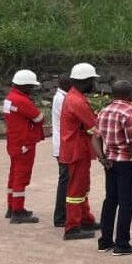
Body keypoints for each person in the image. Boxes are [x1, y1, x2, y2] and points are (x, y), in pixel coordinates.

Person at [93, 81, 132, 255]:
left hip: (110, 162)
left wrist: (102, 158)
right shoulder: (129, 113)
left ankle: (105, 241)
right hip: (127, 163)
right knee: (126, 204)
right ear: (130, 95)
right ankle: (122, 244)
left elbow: (95, 137)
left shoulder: (104, 111)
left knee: (110, 201)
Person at [59, 63, 103, 240]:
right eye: (92, 80)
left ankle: (85, 219)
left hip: (77, 149)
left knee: (82, 187)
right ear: (85, 81)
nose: (94, 84)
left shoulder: (74, 97)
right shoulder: (77, 101)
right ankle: (72, 227)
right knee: (76, 189)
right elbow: (93, 127)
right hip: (77, 150)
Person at [2, 69, 45, 224]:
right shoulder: (22, 100)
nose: (32, 89)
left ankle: (12, 207)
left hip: (14, 142)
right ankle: (18, 211)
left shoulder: (9, 98)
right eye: (31, 86)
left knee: (14, 175)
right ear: (24, 85)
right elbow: (39, 118)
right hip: (24, 144)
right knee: (21, 176)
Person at [51, 76, 71, 228]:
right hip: (63, 145)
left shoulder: (61, 97)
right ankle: (60, 216)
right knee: (66, 180)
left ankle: (63, 214)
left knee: (65, 179)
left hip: (61, 144)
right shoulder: (63, 99)